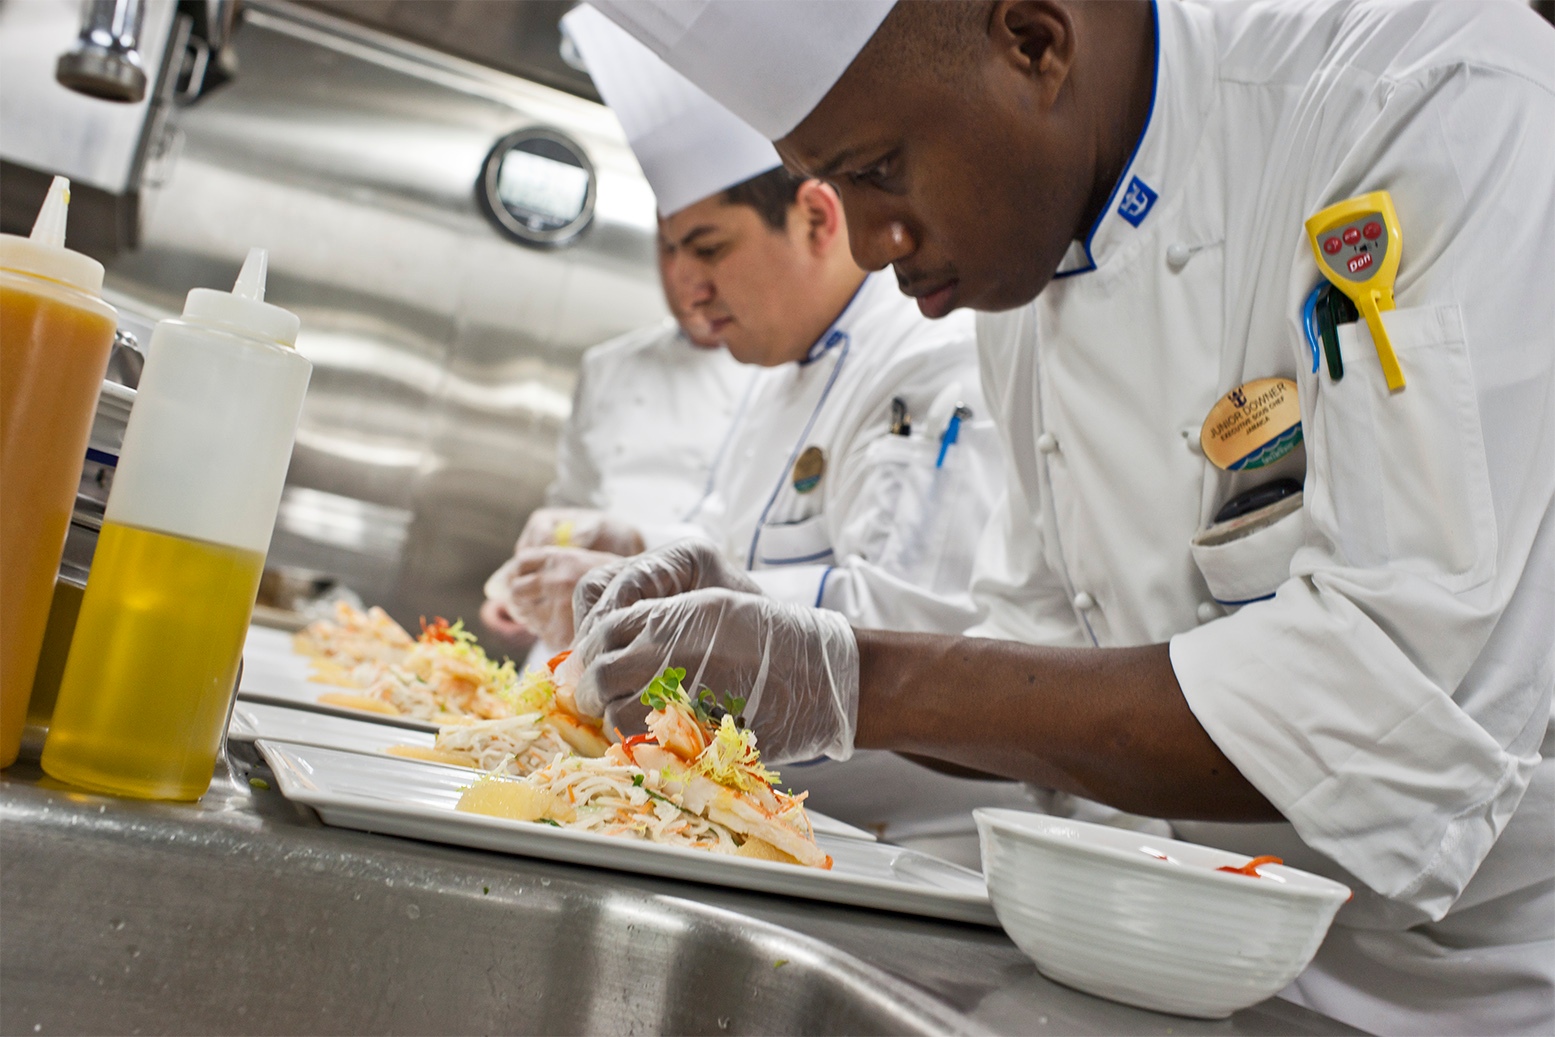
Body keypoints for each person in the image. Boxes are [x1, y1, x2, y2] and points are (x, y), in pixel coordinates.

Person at [569, 2, 1555, 1034]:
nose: (869, 243)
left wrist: (854, 675)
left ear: (1034, 42)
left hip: (1485, 992)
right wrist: (776, 638)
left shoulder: (1429, 98)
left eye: (877, 171)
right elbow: (1036, 657)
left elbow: (1386, 698)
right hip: (1196, 964)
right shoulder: (1028, 274)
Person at [478, 227, 751, 651]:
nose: (686, 278)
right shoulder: (608, 365)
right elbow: (573, 498)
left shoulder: (776, 379)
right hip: (571, 626)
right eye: (669, 249)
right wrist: (523, 579)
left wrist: (635, 543)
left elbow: (746, 543)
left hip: (686, 639)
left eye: (706, 250)